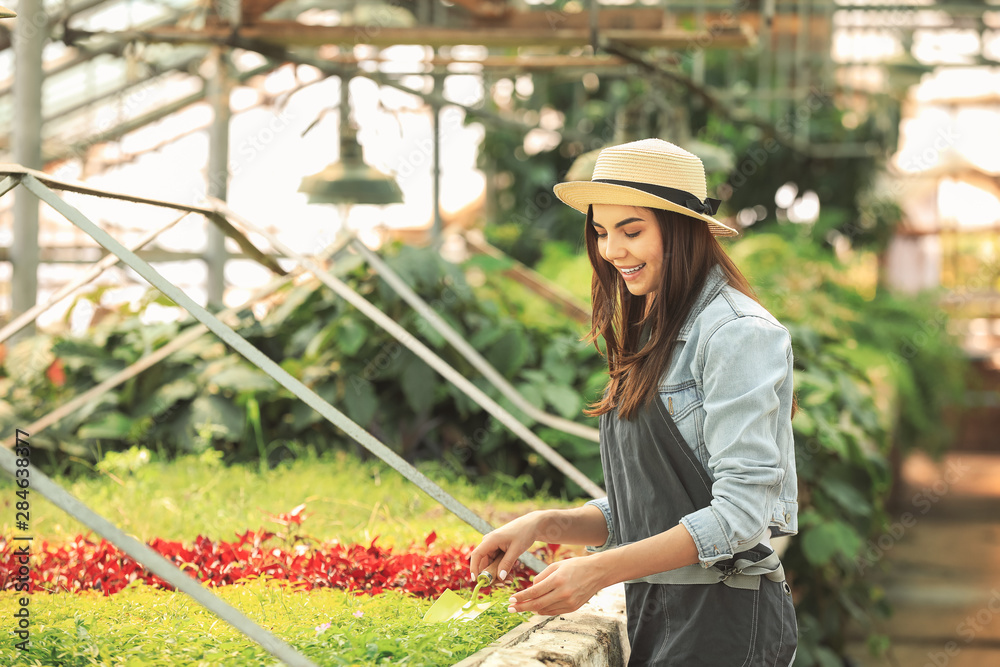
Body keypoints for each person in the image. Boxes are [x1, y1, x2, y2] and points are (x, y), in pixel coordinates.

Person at [469, 138, 799, 665]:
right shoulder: (657, 330)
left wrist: (601, 569)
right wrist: (548, 523)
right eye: (601, 232)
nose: (611, 251)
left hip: (724, 621)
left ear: (682, 229)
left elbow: (741, 513)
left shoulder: (738, 334)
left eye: (632, 230)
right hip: (659, 608)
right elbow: (656, 506)